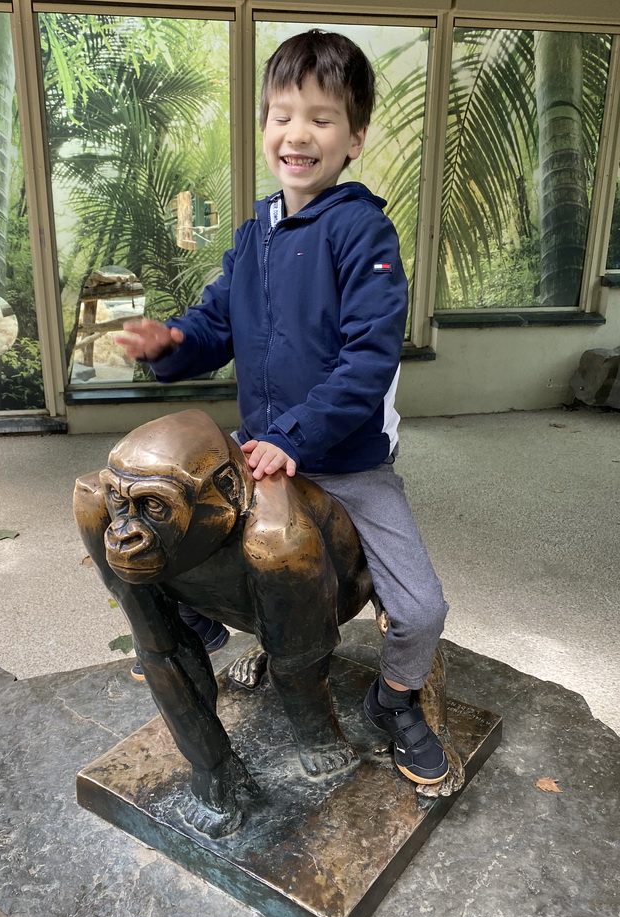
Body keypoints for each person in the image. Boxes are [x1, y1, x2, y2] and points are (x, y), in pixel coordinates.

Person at [117, 29, 449, 786]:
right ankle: (198, 622)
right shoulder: (252, 237)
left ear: (355, 137)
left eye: (321, 118)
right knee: (157, 521)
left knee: (423, 608)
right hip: (260, 446)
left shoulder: (364, 232)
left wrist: (295, 437)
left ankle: (395, 699)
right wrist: (170, 339)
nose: (297, 133)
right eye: (281, 114)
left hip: (344, 461)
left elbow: (368, 361)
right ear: (266, 126)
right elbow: (212, 326)